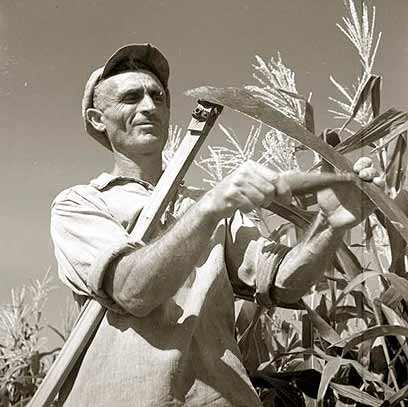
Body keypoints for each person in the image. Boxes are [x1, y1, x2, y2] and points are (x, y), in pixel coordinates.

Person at [50, 44, 382, 407]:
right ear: (98, 119)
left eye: (157, 97)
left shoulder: (214, 205)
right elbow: (132, 291)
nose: (149, 106)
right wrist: (209, 207)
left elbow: (283, 284)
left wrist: (330, 224)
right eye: (131, 97)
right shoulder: (79, 204)